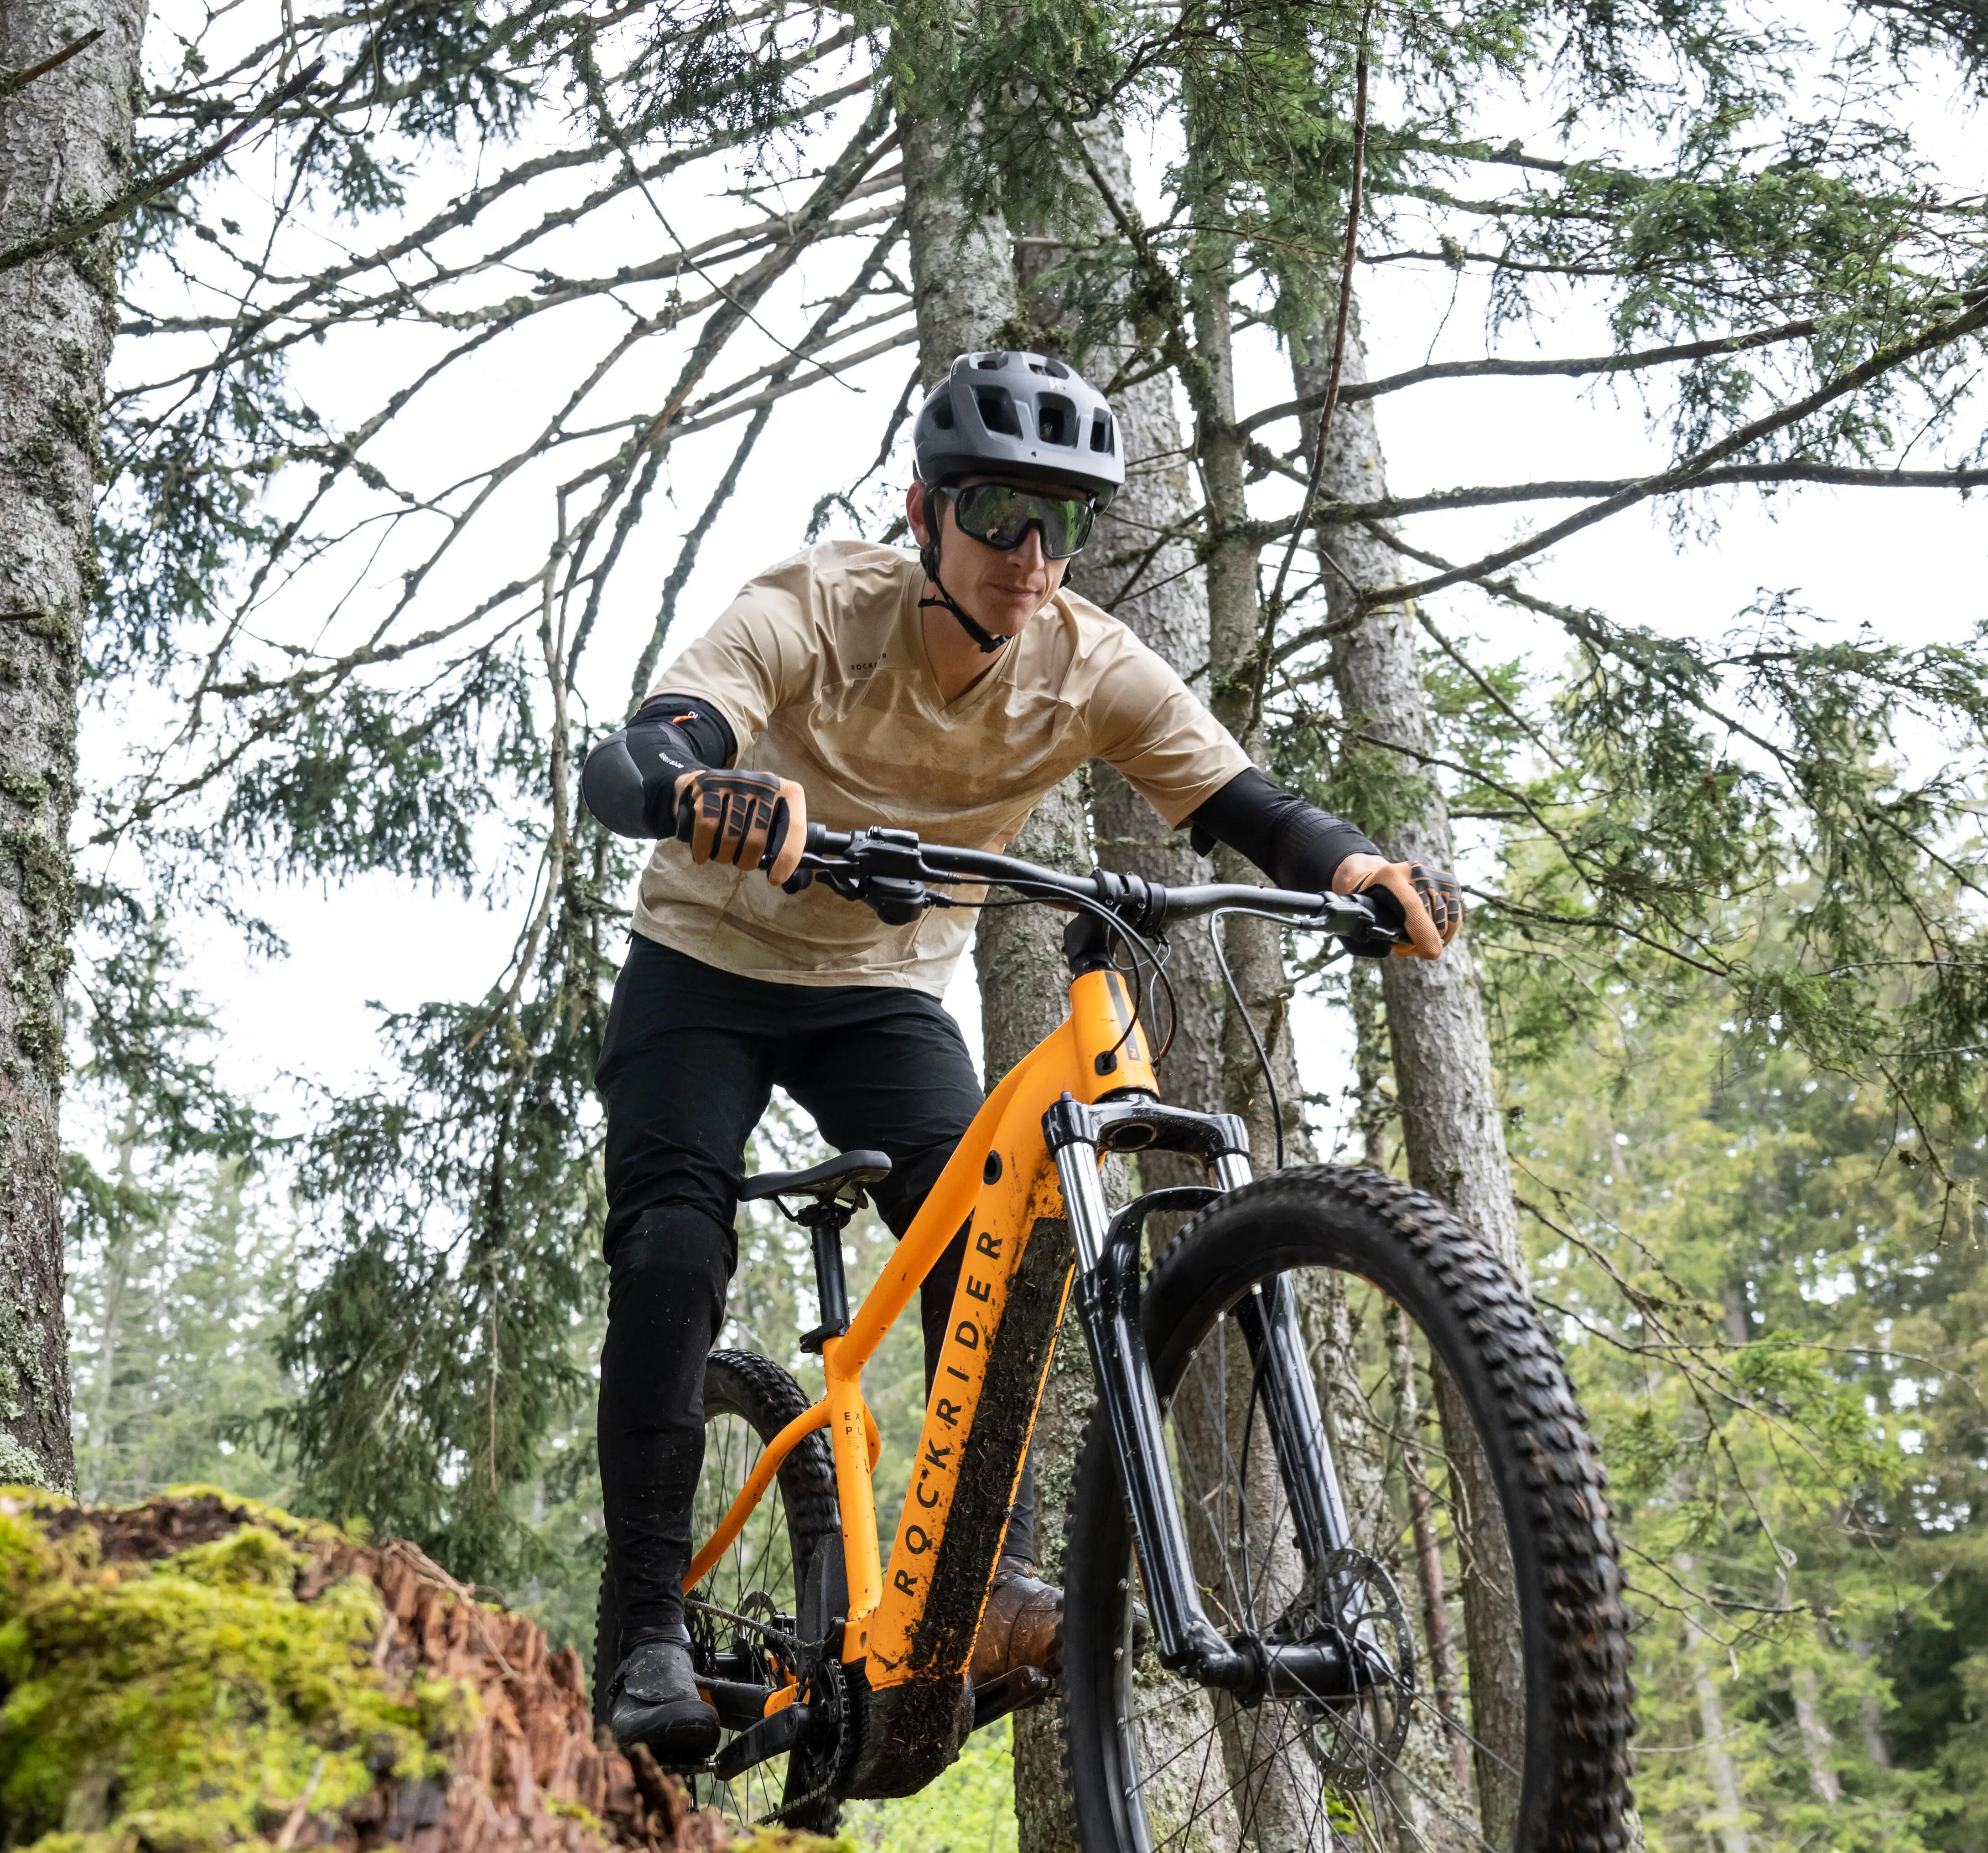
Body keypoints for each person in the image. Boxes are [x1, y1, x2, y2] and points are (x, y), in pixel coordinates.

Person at [580, 348, 1464, 1767]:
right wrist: (708, 783)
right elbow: (649, 745)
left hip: (881, 989)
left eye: (1066, 523)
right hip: (708, 970)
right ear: (921, 510)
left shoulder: (1084, 658)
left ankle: (975, 1586)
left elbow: (1237, 794)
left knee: (998, 1222)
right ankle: (642, 1629)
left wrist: (1353, 864)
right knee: (672, 1247)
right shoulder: (820, 604)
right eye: (996, 512)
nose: (1032, 553)